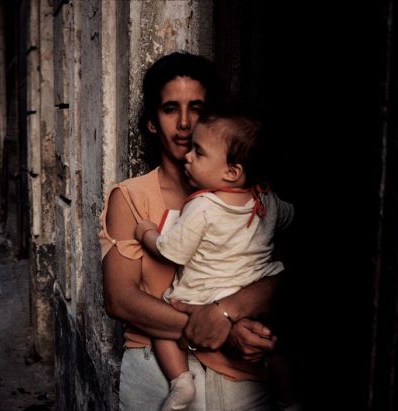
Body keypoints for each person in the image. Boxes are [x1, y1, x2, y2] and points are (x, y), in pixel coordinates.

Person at [100, 51, 282, 411]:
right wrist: (224, 331)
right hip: (158, 374)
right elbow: (120, 299)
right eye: (170, 109)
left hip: (243, 378)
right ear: (152, 121)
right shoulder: (132, 197)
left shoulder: (249, 196)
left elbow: (282, 274)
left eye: (196, 107)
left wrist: (227, 311)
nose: (184, 123)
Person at [134, 110, 295, 410]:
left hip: (205, 294)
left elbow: (171, 250)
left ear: (232, 172)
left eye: (199, 152)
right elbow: (291, 218)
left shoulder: (204, 206)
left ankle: (181, 381)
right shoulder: (267, 200)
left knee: (159, 319)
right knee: (273, 345)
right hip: (252, 292)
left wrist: (146, 233)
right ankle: (290, 399)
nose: (188, 157)